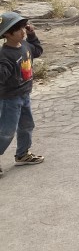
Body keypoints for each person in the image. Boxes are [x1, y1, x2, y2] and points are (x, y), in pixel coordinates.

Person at [0, 12, 44, 174]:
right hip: (10, 99)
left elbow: (37, 51)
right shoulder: (5, 54)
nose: (22, 31)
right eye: (17, 29)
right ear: (6, 34)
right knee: (6, 132)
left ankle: (22, 154)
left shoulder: (25, 45)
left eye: (23, 28)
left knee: (27, 125)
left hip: (24, 95)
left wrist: (32, 35)